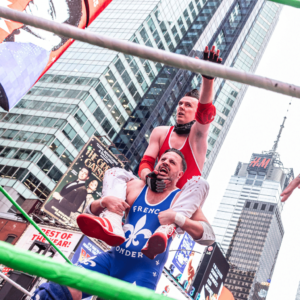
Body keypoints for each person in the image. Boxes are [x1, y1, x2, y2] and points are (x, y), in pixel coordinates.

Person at [77, 45, 221, 258]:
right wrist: (149, 177)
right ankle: (112, 220)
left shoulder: (197, 137)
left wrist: (208, 79)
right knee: (116, 172)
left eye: (188, 105)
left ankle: (166, 229)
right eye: (179, 104)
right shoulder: (161, 132)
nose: (181, 107)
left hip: (177, 202)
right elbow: (144, 163)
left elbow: (205, 114)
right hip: (149, 191)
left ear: (196, 110)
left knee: (201, 184)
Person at [32, 149, 214, 300]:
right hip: (111, 260)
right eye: (163, 159)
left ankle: (166, 230)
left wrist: (178, 218)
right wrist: (104, 202)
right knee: (59, 286)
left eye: (172, 162)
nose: (165, 162)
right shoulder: (135, 187)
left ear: (180, 174)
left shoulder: (181, 199)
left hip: (142, 272)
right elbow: (87, 213)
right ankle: (111, 220)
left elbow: (209, 237)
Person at [0, 0, 84, 110]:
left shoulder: (21, 63)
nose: (37, 3)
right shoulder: (22, 47)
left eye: (50, 10)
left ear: (55, 39)